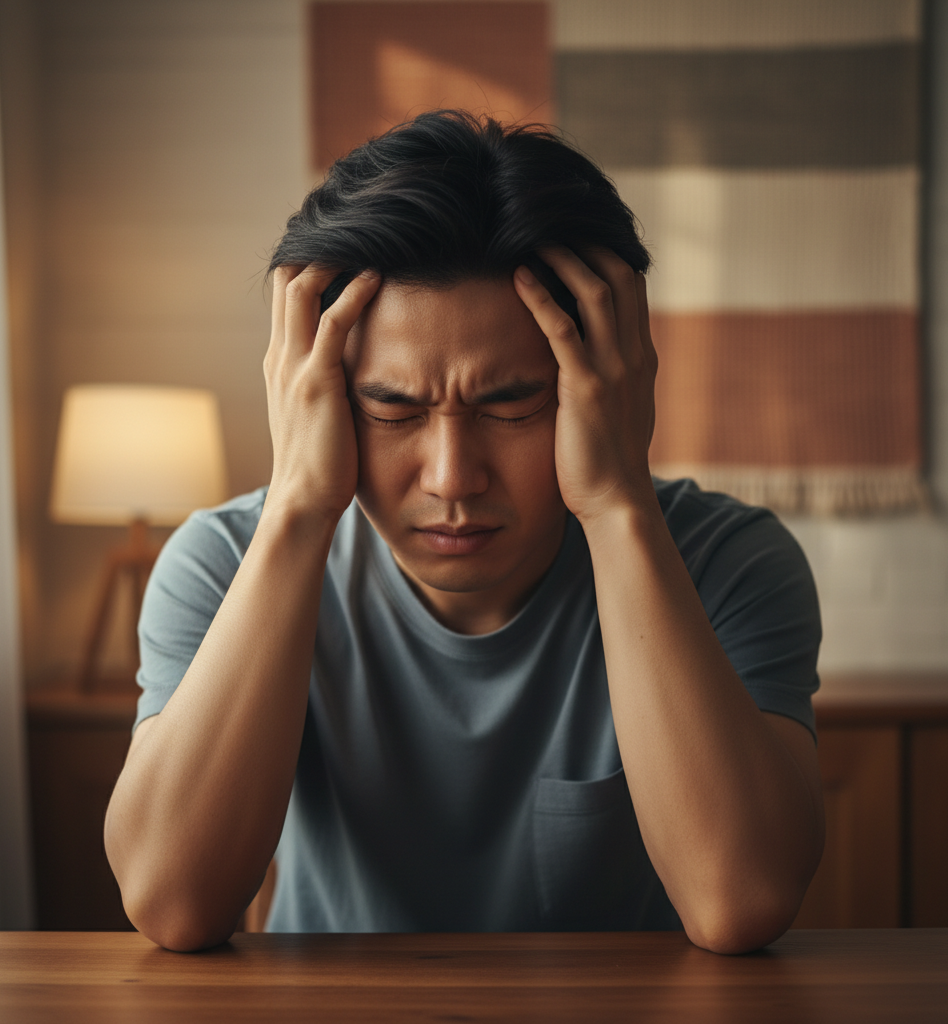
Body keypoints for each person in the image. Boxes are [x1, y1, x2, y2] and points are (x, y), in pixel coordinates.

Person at [104, 110, 825, 955]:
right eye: (392, 407)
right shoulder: (223, 562)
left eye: (511, 405)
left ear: (607, 386)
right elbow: (172, 902)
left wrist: (619, 502)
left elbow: (739, 900)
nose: (451, 476)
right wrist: (298, 506)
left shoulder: (727, 565)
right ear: (320, 396)